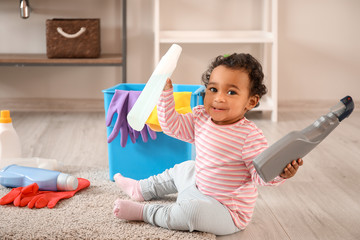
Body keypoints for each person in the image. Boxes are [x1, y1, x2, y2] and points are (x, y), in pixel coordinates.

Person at [113, 53, 303, 235]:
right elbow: (172, 126)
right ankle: (141, 189)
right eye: (213, 89)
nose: (219, 98)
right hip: (198, 188)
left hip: (225, 211)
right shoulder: (201, 117)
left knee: (192, 213)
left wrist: (280, 173)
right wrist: (165, 94)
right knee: (186, 168)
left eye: (231, 92)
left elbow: (260, 176)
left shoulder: (249, 137)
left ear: (250, 102)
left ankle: (145, 213)